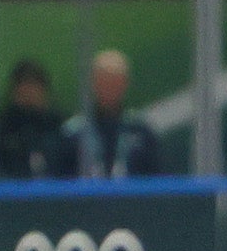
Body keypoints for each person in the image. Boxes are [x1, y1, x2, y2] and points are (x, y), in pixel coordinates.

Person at [55, 48, 166, 180]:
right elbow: (59, 180)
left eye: (115, 82)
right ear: (93, 84)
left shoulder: (141, 132)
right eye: (104, 82)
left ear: (125, 84)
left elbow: (156, 179)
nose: (109, 88)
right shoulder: (73, 133)